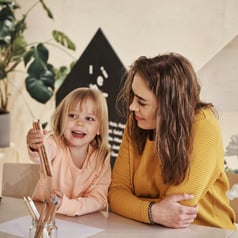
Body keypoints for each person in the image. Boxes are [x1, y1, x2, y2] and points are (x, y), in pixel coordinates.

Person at [108, 53, 236, 230]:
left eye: (142, 102)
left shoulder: (204, 126)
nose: (132, 107)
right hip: (148, 230)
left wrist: (135, 205)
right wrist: (153, 211)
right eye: (133, 97)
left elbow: (178, 208)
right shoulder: (137, 121)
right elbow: (115, 194)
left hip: (208, 232)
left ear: (169, 105)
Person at [26, 87, 111, 216]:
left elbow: (99, 199)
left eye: (89, 119)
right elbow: (42, 154)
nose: (80, 123)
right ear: (61, 121)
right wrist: (36, 145)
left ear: (99, 128)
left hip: (82, 223)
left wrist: (65, 205)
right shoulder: (54, 142)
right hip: (43, 215)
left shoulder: (101, 157)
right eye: (72, 116)